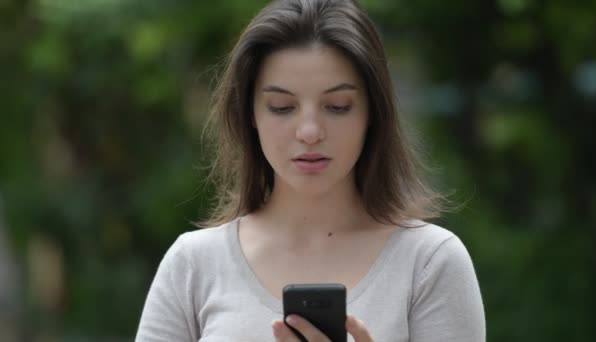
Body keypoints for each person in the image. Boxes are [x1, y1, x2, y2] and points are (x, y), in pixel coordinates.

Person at [135, 0, 485, 341]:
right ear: (250, 115)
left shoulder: (429, 263)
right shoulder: (194, 264)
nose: (309, 131)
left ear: (372, 114)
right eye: (282, 107)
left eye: (337, 106)